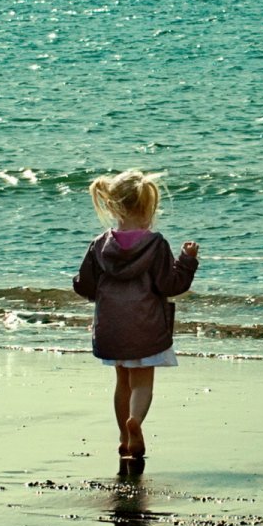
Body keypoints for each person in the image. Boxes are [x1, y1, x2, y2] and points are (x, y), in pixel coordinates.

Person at [72, 170, 199, 467]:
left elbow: (85, 286)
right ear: (148, 209)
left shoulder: (100, 244)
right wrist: (187, 261)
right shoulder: (155, 244)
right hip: (146, 328)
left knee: (122, 383)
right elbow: (171, 285)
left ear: (114, 207)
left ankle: (124, 437)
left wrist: (83, 282)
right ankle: (136, 421)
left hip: (112, 328)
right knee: (142, 383)